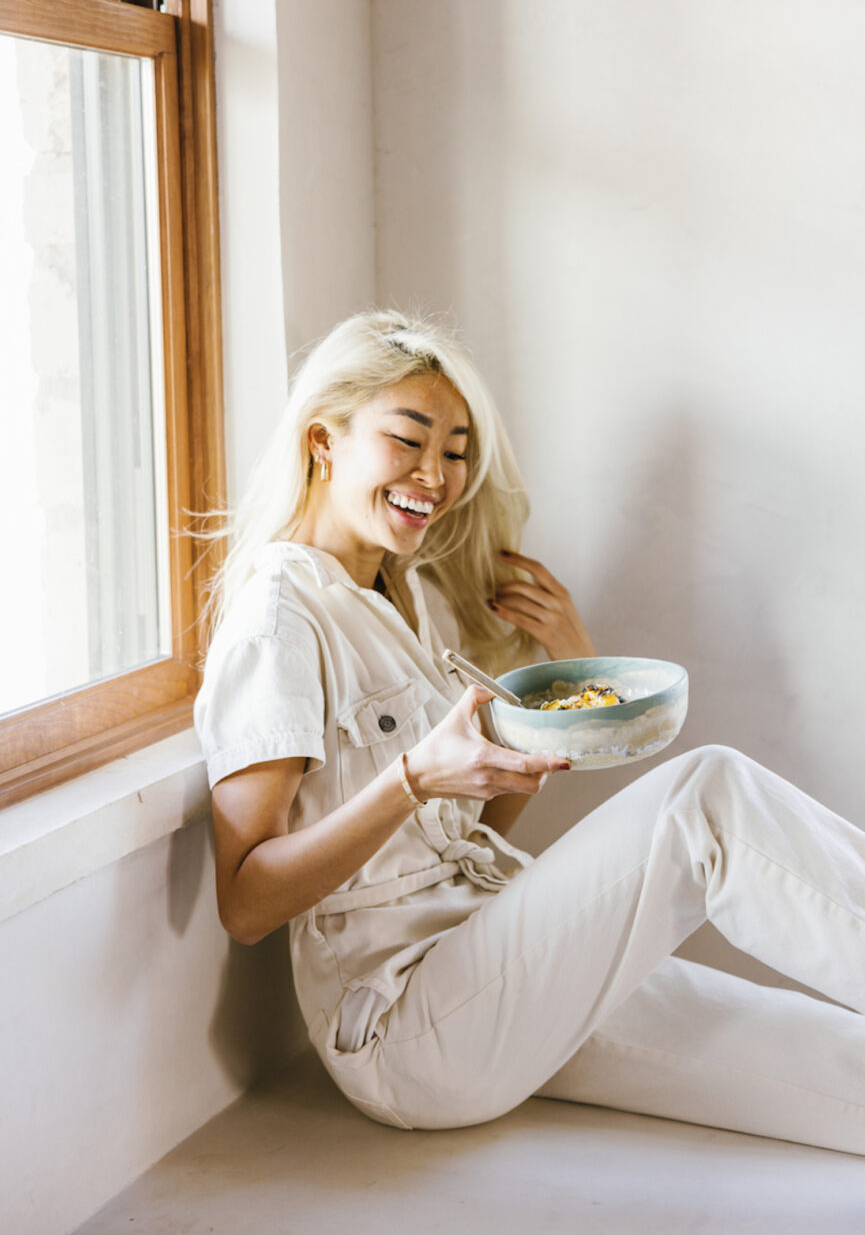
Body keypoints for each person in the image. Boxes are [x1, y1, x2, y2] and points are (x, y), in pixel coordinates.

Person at [194, 310, 865, 1151]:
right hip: (406, 1026)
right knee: (708, 795)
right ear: (324, 441)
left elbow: (460, 835)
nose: (434, 474)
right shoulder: (278, 619)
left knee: (838, 1061)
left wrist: (569, 686)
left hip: (491, 961)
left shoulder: (406, 599)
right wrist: (410, 779)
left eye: (454, 449)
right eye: (408, 439)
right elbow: (247, 903)